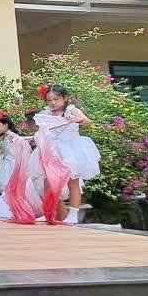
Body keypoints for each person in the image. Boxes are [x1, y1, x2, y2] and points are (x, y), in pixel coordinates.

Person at [34, 84, 100, 224]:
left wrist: (77, 120)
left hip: (71, 150)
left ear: (64, 98)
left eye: (56, 99)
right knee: (48, 182)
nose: (52, 103)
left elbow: (88, 122)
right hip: (52, 151)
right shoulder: (45, 113)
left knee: (72, 181)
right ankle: (49, 212)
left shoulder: (72, 110)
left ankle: (73, 215)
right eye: (49, 100)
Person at [0, 112, 23, 196]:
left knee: (8, 184)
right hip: (5, 163)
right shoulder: (3, 136)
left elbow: (18, 151)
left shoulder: (14, 137)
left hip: (12, 163)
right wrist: (0, 153)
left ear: (5, 125)